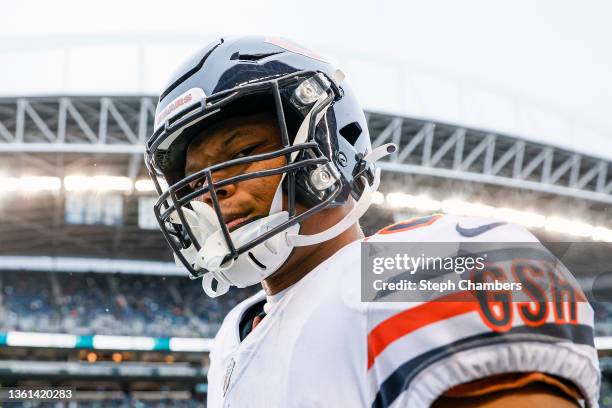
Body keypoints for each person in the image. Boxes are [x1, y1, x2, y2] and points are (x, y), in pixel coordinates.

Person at [145, 36, 600, 407]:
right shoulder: (234, 333)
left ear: (329, 143)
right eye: (190, 182)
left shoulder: (408, 271)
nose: (211, 190)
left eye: (243, 153)